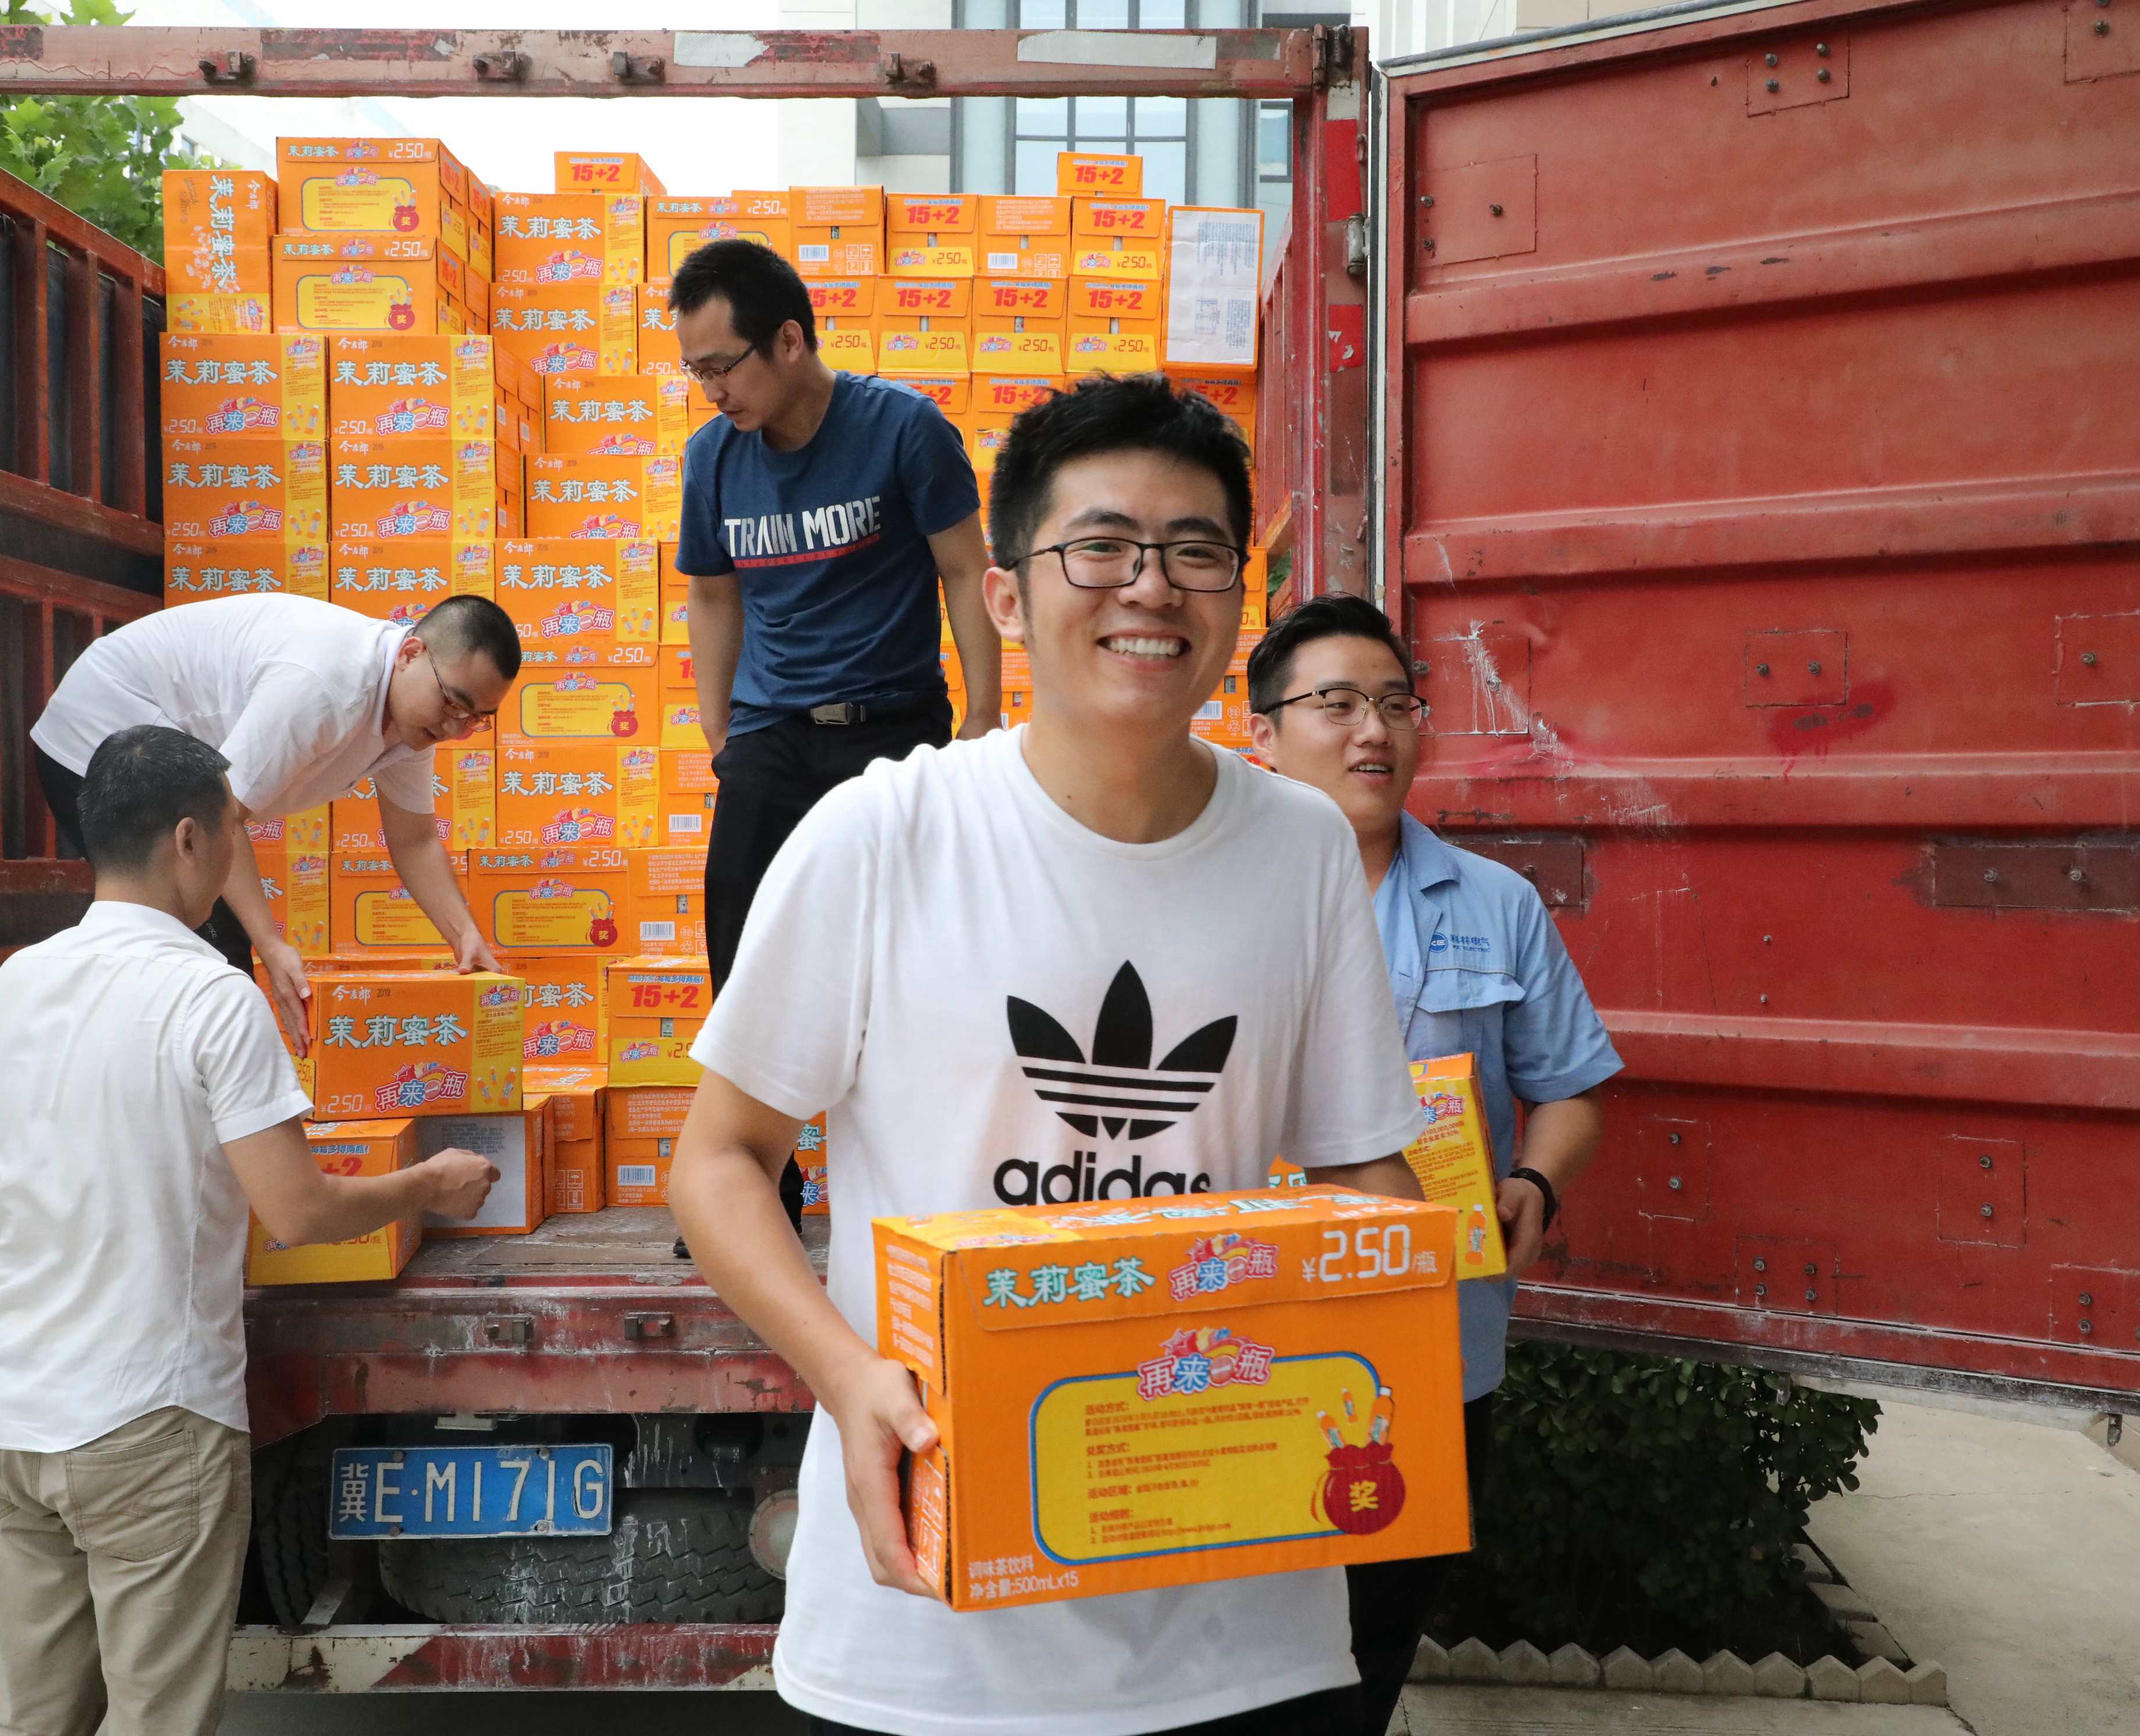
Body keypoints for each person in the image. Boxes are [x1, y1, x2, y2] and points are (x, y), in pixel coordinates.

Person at [669, 374, 1429, 1736]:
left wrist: (1400, 1339)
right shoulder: (881, 835)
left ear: (1237, 598)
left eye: (1193, 549)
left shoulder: (1302, 847)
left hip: (1242, 1617)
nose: (1151, 586)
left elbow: (1363, 1169)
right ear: (1007, 596)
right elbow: (719, 1159)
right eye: (1101, 546)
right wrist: (847, 1375)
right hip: (930, 1624)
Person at [0, 724, 497, 1736]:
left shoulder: (19, 980)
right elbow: (298, 1211)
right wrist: (425, 1184)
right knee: (160, 1716)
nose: (237, 854)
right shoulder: (212, 996)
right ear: (186, 839)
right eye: (234, 831)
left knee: (35, 1716)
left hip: (14, 1411)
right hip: (147, 1419)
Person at [1247, 593, 1622, 1736]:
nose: (1374, 730)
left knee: (1376, 1629)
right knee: (1230, 1633)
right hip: (1243, 1339)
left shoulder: (1495, 905)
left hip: (1434, 1349)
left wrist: (1536, 1181)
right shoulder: (1205, 901)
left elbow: (1571, 1087)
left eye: (1396, 704)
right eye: (1337, 703)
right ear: (1262, 734)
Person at [670, 236, 1003, 998]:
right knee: (744, 971)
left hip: (893, 730)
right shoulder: (711, 458)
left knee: (910, 971)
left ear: (789, 340)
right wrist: (720, 731)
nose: (712, 391)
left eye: (722, 367)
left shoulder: (905, 428)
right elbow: (713, 595)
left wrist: (983, 714)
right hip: (770, 737)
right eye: (696, 371)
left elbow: (964, 569)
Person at [30, 591, 519, 1048]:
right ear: (410, 654)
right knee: (207, 951)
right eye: (453, 703)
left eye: (477, 718)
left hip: (182, 771)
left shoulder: (416, 717)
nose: (456, 730)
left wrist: (465, 937)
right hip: (102, 731)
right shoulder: (325, 685)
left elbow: (414, 840)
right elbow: (219, 815)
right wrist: (271, 946)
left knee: (213, 947)